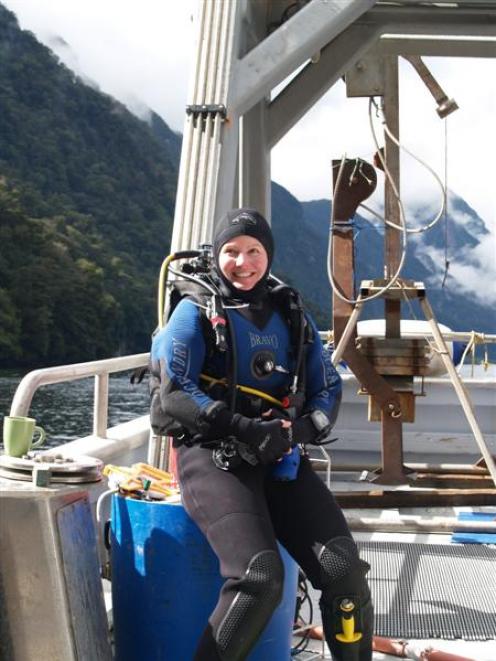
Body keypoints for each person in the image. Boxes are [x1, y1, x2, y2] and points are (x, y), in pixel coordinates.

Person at [150, 208, 373, 661]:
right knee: (259, 578)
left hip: (279, 456)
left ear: (268, 256)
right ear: (216, 256)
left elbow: (327, 384)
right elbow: (175, 394)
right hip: (211, 456)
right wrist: (245, 429)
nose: (243, 262)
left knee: (343, 570)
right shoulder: (195, 312)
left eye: (254, 251)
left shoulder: (289, 312)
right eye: (231, 251)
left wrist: (305, 428)